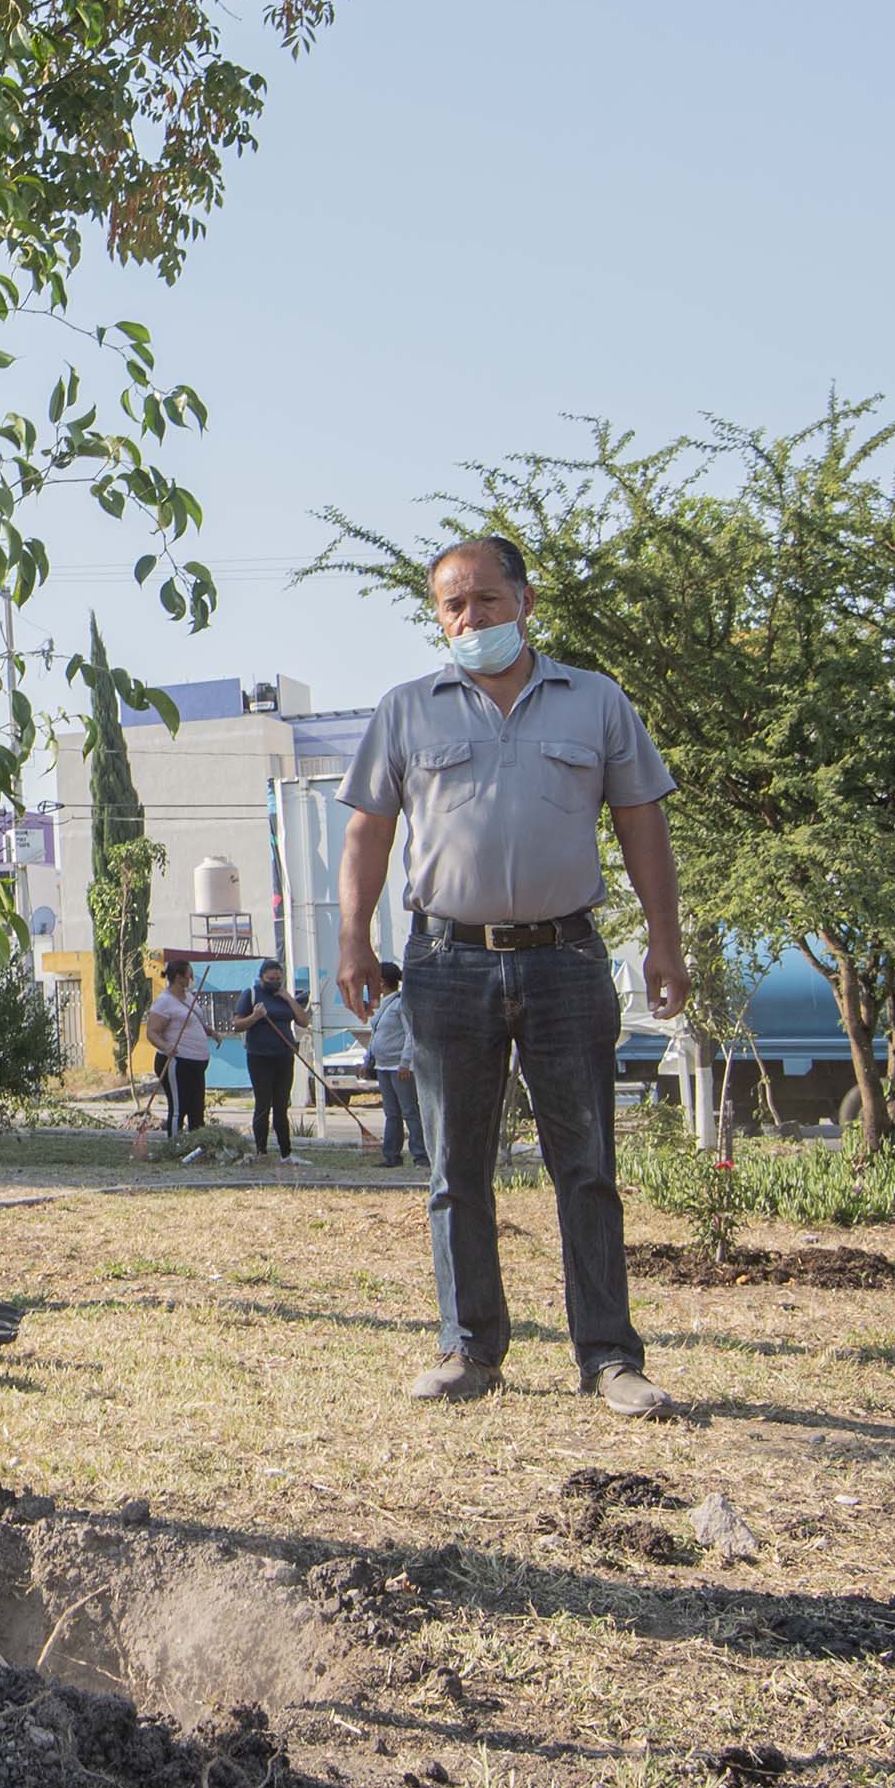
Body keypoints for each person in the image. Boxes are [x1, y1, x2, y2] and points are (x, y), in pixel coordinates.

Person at [337, 535, 692, 1420]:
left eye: (487, 600)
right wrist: (351, 938)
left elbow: (642, 822)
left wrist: (663, 940)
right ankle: (469, 1347)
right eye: (452, 605)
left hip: (566, 960)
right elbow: (367, 834)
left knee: (587, 1164)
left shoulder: (596, 701)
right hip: (445, 963)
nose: (470, 618)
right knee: (455, 1165)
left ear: (525, 601)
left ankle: (608, 1356)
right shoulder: (406, 709)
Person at [237, 960, 308, 1160]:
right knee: (263, 1104)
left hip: (284, 1056)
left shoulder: (284, 997)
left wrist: (288, 997)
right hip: (259, 1057)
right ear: (261, 978)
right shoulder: (250, 994)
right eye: (271, 979)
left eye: (279, 979)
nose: (275, 982)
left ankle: (286, 1152)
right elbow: (237, 1025)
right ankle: (261, 1151)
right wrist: (256, 1016)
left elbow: (303, 1021)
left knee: (281, 1105)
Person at [362, 962, 429, 1172]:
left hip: (399, 1067)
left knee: (409, 1110)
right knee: (391, 1112)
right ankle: (391, 1154)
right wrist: (368, 1059)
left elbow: (411, 1034)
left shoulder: (401, 1004)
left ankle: (421, 1155)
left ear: (381, 982)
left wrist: (405, 1062)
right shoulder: (382, 1005)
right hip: (383, 1066)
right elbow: (376, 1035)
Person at [142, 957, 214, 1137]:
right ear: (179, 977)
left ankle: (197, 1146)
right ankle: (174, 1146)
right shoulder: (164, 1002)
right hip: (176, 1062)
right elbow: (152, 1032)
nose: (191, 979)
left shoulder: (188, 997)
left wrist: (209, 1032)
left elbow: (192, 1021)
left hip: (197, 1062)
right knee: (179, 1107)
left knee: (197, 1108)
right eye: (189, 975)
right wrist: (166, 1047)